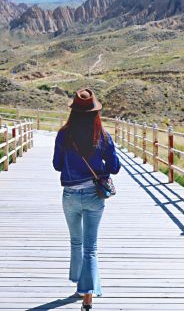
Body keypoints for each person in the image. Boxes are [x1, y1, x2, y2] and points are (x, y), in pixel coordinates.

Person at [53, 89, 121, 310]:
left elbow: (57, 165)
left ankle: (79, 285)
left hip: (70, 195)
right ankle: (88, 295)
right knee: (90, 247)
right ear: (95, 112)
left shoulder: (64, 134)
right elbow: (114, 167)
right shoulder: (102, 135)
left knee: (76, 242)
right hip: (94, 195)